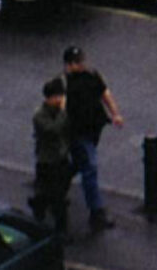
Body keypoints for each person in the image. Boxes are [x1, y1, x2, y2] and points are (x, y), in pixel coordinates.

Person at [61, 45, 124, 232]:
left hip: (93, 129)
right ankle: (96, 213)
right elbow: (61, 109)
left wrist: (116, 114)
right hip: (77, 133)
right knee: (90, 167)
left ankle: (54, 188)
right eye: (75, 62)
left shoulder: (91, 76)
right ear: (68, 65)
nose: (80, 64)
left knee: (78, 165)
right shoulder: (64, 84)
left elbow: (105, 93)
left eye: (81, 60)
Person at [30, 76, 72, 233]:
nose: (61, 100)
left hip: (61, 159)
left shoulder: (59, 112)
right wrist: (63, 112)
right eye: (59, 97)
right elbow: (53, 130)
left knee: (55, 192)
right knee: (57, 197)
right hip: (47, 161)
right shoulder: (40, 115)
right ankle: (61, 231)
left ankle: (40, 204)